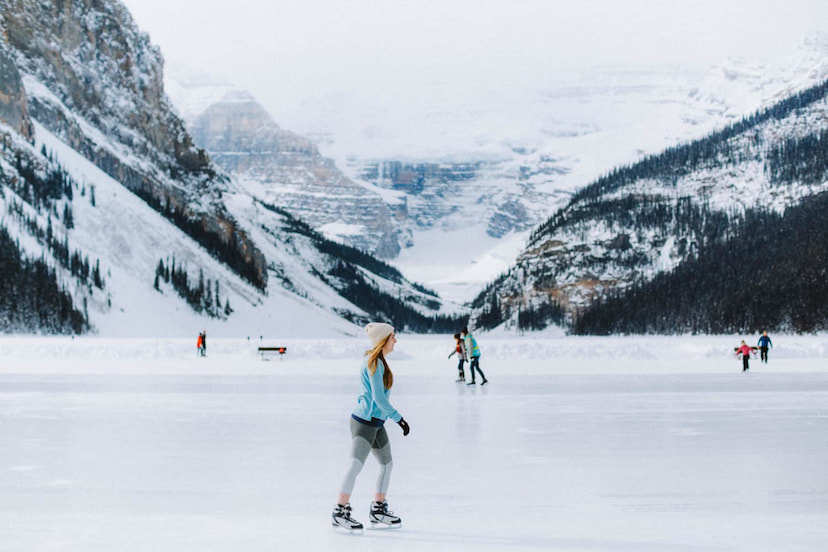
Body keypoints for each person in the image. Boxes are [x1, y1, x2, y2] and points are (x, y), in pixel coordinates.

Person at [331, 322, 410, 531]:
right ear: (383, 340)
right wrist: (399, 419)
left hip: (376, 422)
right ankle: (339, 511)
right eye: (393, 336)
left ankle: (378, 509)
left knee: (386, 464)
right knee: (355, 465)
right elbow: (379, 399)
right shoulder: (373, 361)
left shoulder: (379, 361)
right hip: (364, 422)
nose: (396, 340)